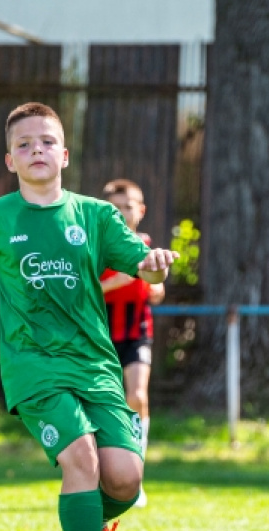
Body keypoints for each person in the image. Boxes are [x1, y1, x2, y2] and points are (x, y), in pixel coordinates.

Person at [0, 102, 178, 531]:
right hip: (33, 364)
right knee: (82, 460)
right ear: (10, 160)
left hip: (95, 365)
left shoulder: (95, 215)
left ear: (64, 154)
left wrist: (156, 266)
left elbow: (142, 267)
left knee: (124, 478)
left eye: (46, 142)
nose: (36, 151)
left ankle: (93, 526)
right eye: (24, 144)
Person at [99, 179, 164, 508]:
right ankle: (108, 474)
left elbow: (157, 289)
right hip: (101, 337)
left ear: (141, 210)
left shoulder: (146, 246)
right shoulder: (98, 246)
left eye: (129, 206)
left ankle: (137, 473)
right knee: (105, 406)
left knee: (137, 396)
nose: (123, 213)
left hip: (137, 332)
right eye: (116, 207)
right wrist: (117, 282)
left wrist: (155, 289)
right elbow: (86, 290)